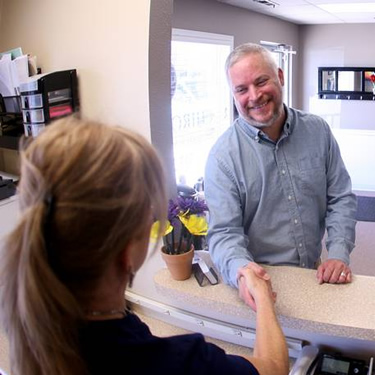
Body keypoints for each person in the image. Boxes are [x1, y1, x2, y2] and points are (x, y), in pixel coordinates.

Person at [0, 116, 289, 375]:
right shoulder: (177, 364)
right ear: (127, 251)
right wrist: (262, 297)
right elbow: (274, 369)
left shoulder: (30, 326)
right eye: (148, 217)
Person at [205, 43, 357, 308]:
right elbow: (224, 233)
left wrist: (338, 253)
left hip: (316, 274)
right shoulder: (222, 158)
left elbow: (340, 197)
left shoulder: (318, 131)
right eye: (241, 89)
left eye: (261, 81)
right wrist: (243, 272)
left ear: (280, 76)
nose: (254, 96)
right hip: (261, 285)